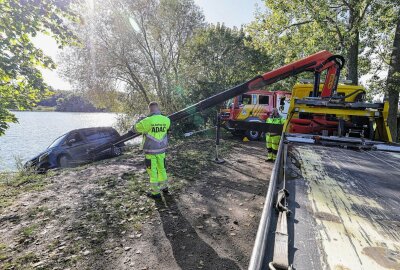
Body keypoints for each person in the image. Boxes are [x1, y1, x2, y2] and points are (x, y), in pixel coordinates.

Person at [133, 102, 171, 199]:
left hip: (150, 151)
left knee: (152, 171)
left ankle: (155, 193)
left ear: (150, 109)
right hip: (161, 150)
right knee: (162, 169)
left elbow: (135, 129)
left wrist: (139, 120)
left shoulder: (147, 121)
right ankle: (164, 187)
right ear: (158, 108)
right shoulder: (166, 120)